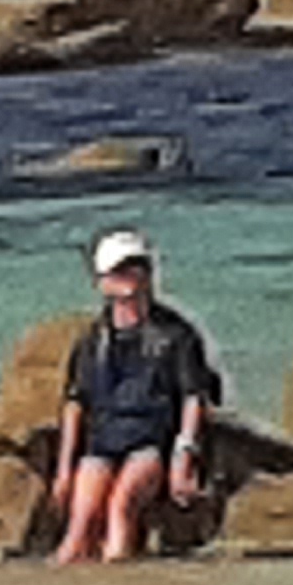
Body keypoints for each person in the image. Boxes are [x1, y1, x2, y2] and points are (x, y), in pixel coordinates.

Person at [50, 227, 219, 563]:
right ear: (102, 282)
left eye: (137, 266)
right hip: (103, 442)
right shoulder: (93, 340)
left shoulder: (176, 335)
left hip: (151, 441)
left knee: (121, 506)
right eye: (120, 270)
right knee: (80, 525)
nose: (130, 276)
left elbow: (193, 397)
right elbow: (76, 403)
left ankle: (120, 581)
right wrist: (64, 469)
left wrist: (184, 456)